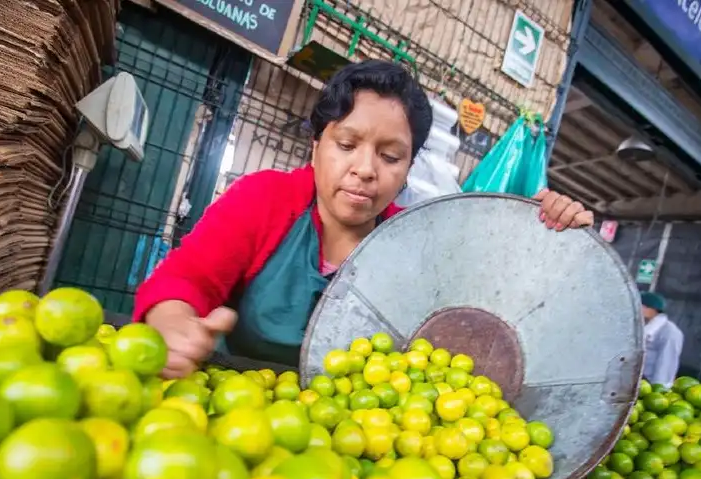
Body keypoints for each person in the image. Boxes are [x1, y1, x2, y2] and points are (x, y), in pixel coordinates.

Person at [134, 60, 594, 378]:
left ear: (409, 168)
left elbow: (489, 308)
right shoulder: (265, 199)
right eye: (347, 145)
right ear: (316, 147)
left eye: (391, 156)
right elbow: (185, 280)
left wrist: (551, 236)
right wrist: (173, 321)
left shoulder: (413, 245)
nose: (366, 169)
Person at [641, 291, 684, 388]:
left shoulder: (669, 332)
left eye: (642, 306)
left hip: (650, 382)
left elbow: (667, 362)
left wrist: (659, 387)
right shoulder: (645, 325)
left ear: (653, 309)